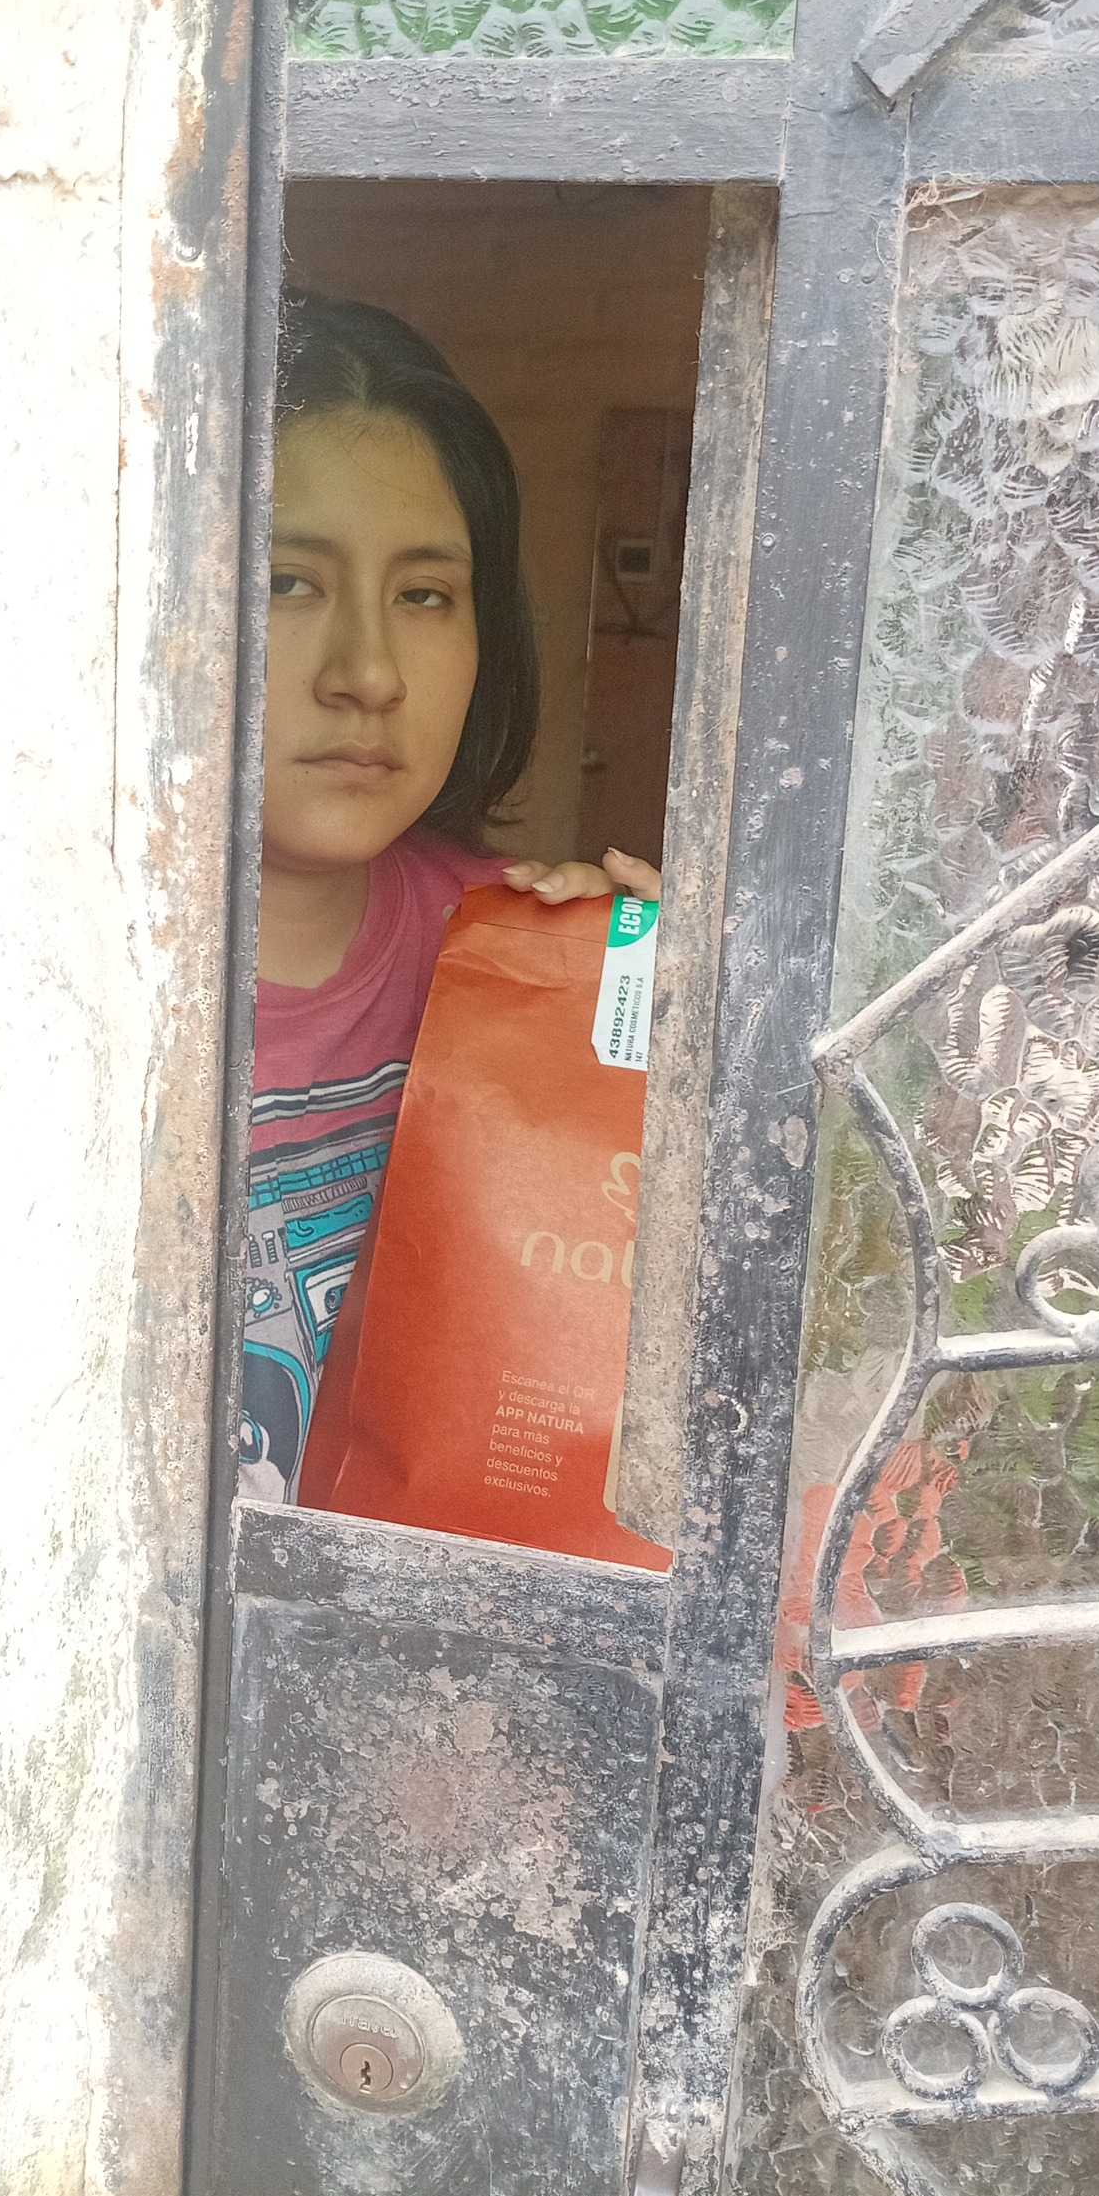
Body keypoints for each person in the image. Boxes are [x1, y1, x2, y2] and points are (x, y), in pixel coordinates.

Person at [239, 293, 660, 1504]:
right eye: (287, 581)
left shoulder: (533, 961)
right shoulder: (40, 977)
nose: (367, 674)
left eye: (425, 594)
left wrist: (663, 1037)